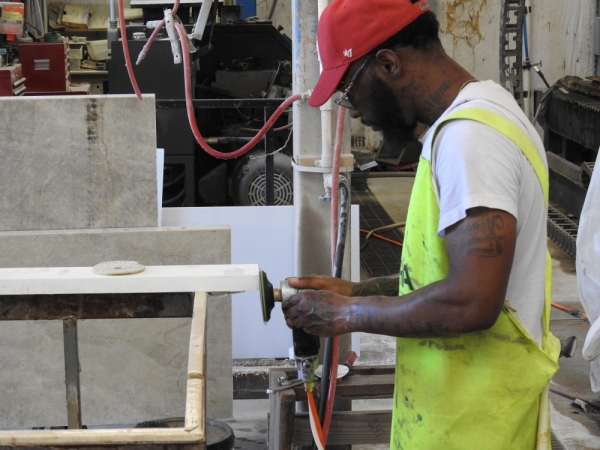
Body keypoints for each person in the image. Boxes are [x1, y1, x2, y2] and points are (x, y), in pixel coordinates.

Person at [283, 0, 561, 448]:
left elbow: (471, 301)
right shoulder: (482, 112)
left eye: (349, 92)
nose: (352, 110)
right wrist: (357, 292)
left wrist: (346, 314)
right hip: (461, 413)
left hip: (476, 426)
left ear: (388, 64)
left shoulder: (471, 140)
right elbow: (451, 278)